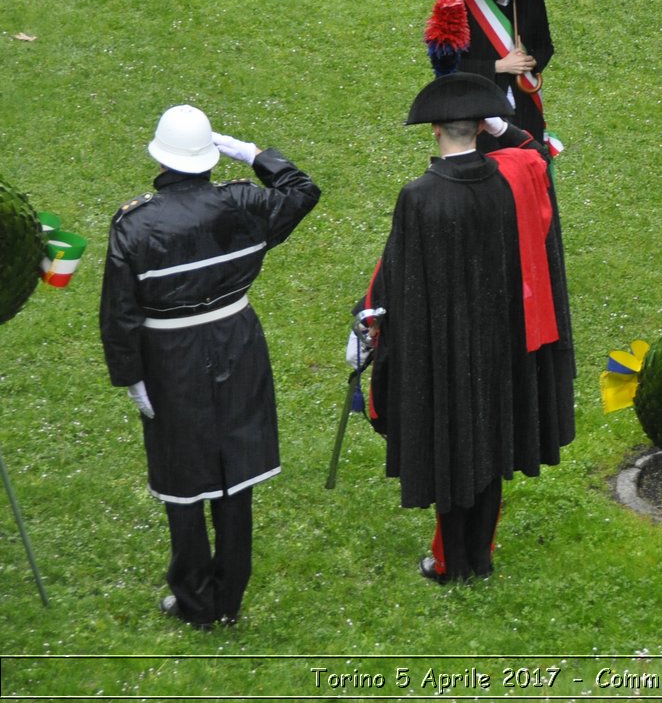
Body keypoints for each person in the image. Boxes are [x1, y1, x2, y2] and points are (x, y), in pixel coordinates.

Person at [101, 105, 319, 628]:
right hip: (238, 343)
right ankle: (229, 597)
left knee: (183, 476)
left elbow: (120, 314)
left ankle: (195, 599)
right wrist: (252, 153)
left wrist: (130, 377)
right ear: (209, 155)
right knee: (236, 472)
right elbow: (302, 189)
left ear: (159, 157)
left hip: (170, 358)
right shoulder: (243, 203)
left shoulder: (134, 225)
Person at [361, 73, 569, 582]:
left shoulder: (419, 195)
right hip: (500, 339)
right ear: (481, 127)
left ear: (435, 129)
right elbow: (536, 154)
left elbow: (400, 278)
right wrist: (507, 128)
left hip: (444, 346)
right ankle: (480, 558)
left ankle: (452, 564)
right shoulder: (508, 180)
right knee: (491, 446)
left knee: (453, 449)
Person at [454, 0, 555, 143]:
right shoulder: (462, 0)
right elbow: (452, 64)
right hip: (482, 104)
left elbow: (545, 46)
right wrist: (498, 66)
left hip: (525, 102)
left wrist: (532, 61)